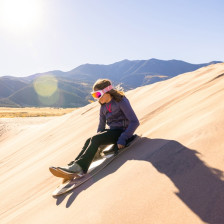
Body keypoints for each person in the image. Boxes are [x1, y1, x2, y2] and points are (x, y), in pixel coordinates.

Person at [56, 79, 140, 176]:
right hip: (113, 132)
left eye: (98, 95)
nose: (97, 98)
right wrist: (97, 142)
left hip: (123, 132)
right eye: (94, 95)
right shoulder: (103, 107)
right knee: (90, 140)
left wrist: (123, 138)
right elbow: (101, 126)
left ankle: (80, 168)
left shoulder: (121, 101)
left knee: (96, 139)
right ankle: (73, 165)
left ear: (106, 92)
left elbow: (135, 122)